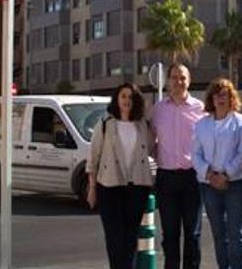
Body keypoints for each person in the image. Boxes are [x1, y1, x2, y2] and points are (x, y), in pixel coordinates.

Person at [86, 83, 155, 269]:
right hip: (109, 187)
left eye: (131, 97)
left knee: (130, 237)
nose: (127, 101)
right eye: (123, 96)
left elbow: (150, 149)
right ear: (117, 99)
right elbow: (93, 158)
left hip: (137, 187)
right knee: (115, 237)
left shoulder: (142, 125)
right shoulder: (105, 124)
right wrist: (92, 189)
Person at [192, 78, 242, 269]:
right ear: (211, 99)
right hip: (208, 185)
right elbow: (195, 153)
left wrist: (225, 174)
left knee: (236, 234)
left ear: (231, 97)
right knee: (219, 234)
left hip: (235, 183)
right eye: (216, 95)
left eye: (224, 94)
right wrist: (210, 175)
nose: (220, 98)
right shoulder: (202, 124)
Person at [152, 63, 206, 269]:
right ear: (168, 81)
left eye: (182, 77)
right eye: (174, 77)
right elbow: (150, 142)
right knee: (170, 234)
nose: (178, 81)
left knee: (193, 234)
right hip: (166, 179)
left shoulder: (201, 109)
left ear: (189, 80)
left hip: (192, 178)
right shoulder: (158, 110)